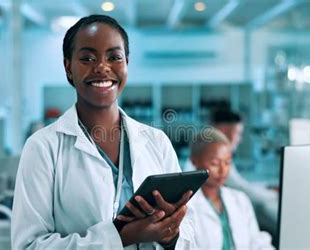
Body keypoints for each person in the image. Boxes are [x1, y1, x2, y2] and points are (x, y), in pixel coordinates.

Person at [11, 15, 195, 249]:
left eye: (114, 57)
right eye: (87, 58)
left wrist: (169, 234)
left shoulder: (156, 141)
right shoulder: (43, 147)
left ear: (126, 63)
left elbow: (189, 228)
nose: (102, 67)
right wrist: (120, 237)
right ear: (68, 68)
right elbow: (28, 245)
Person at [187, 128, 274, 249]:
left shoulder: (240, 199)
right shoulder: (187, 205)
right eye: (215, 163)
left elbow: (257, 243)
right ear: (194, 161)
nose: (223, 170)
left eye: (227, 163)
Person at [212, 110, 279, 240]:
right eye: (238, 133)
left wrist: (267, 188)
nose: (239, 140)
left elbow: (241, 185)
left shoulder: (218, 154)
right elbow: (243, 190)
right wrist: (275, 194)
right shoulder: (215, 158)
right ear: (225, 131)